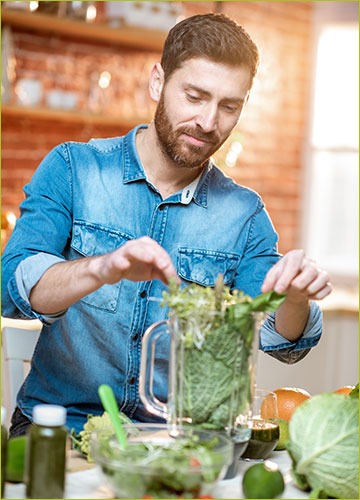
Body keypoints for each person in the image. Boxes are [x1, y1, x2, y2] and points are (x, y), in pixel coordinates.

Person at [2, 13, 331, 437]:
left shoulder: (244, 214)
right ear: (158, 81)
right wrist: (103, 267)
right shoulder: (73, 168)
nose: (209, 123)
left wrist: (295, 299)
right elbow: (12, 286)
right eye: (194, 96)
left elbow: (283, 343)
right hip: (57, 430)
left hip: (181, 440)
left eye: (229, 106)